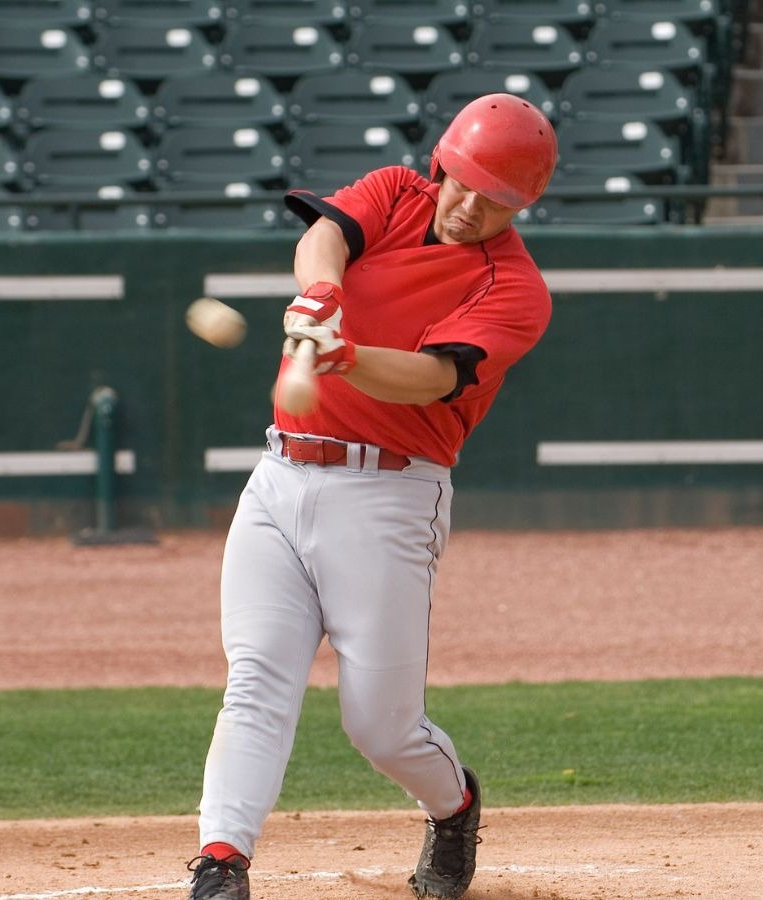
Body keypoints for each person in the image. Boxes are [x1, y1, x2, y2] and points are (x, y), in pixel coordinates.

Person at [185, 93, 559, 900]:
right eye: (462, 183)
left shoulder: (516, 289)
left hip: (389, 495)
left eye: (495, 199)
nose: (469, 207)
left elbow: (433, 378)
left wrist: (346, 356)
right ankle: (221, 861)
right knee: (256, 680)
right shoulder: (394, 191)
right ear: (440, 166)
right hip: (280, 476)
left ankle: (454, 805)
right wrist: (321, 294)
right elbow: (324, 237)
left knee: (381, 727)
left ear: (522, 206)